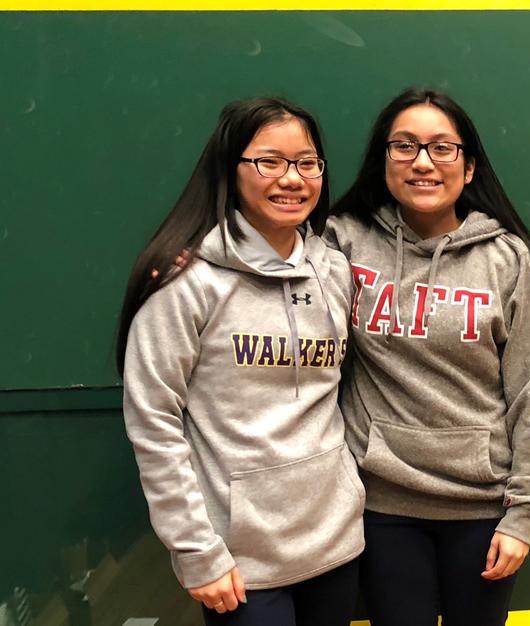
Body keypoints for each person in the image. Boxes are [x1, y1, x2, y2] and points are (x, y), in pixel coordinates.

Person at [116, 96, 364, 626]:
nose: (291, 178)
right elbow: (153, 420)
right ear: (231, 169)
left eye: (306, 163)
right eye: (269, 161)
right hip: (239, 560)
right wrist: (195, 550)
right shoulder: (186, 280)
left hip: (336, 542)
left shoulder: (335, 271)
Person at [324, 87, 530, 626]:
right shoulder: (343, 243)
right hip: (381, 504)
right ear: (382, 161)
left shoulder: (508, 259)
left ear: (469, 166)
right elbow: (271, 273)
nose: (423, 162)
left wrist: (523, 515)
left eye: (441, 148)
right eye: (404, 147)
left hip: (482, 508)